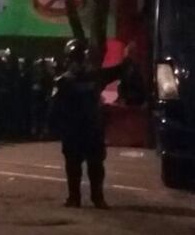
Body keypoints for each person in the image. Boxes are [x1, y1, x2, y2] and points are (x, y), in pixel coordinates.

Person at [48, 39, 132, 209]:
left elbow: (120, 70)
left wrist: (128, 57)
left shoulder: (93, 76)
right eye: (75, 59)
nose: (79, 63)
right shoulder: (64, 81)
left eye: (80, 59)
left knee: (94, 166)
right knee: (74, 166)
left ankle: (94, 197)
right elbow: (55, 107)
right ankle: (76, 197)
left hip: (90, 129)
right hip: (75, 130)